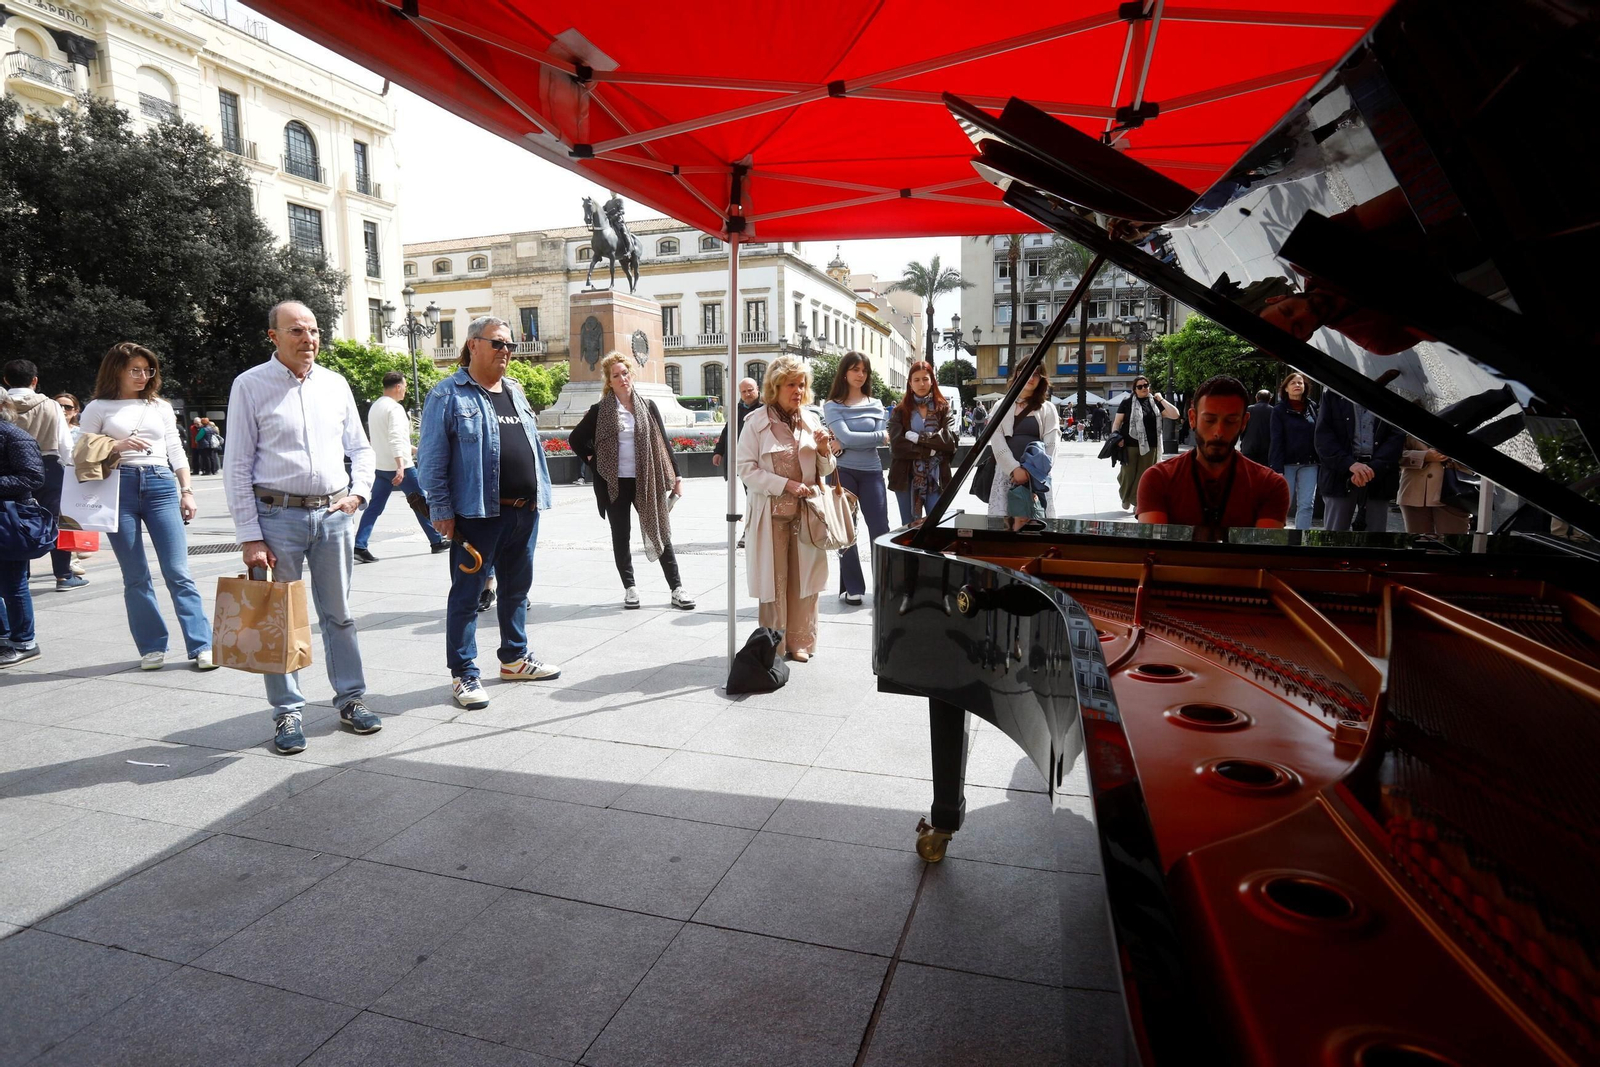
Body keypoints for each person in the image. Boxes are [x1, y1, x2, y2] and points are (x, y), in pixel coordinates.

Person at [223, 301, 382, 755]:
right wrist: (250, 536)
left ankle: (351, 700)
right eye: (296, 330)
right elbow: (236, 464)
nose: (308, 339)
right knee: (279, 619)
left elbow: (361, 448)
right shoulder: (250, 385)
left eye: (313, 330)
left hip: (333, 515)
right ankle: (288, 713)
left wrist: (359, 494)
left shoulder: (335, 384)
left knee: (341, 615)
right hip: (277, 519)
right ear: (273, 336)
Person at [418, 314, 561, 711]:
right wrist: (441, 509)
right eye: (498, 343)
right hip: (478, 515)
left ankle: (515, 659)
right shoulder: (447, 395)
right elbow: (430, 460)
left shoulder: (514, 390)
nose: (506, 351)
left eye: (510, 345)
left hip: (524, 512)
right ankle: (464, 672)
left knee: (517, 591)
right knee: (468, 595)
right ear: (473, 345)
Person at [80, 342, 217, 671]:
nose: (143, 376)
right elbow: (79, 449)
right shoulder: (98, 407)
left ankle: (201, 645)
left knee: (178, 571)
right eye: (135, 370)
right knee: (135, 575)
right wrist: (117, 444)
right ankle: (152, 647)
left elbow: (175, 449)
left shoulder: (159, 406)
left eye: (148, 370)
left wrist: (187, 490)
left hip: (160, 482)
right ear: (117, 371)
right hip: (118, 486)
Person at [568, 352, 695, 611]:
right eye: (616, 375)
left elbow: (663, 442)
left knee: (660, 531)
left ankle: (676, 588)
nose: (622, 378)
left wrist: (677, 476)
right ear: (609, 381)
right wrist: (594, 462)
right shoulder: (599, 411)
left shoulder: (647, 406)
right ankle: (630, 588)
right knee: (620, 536)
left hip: (646, 480)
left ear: (631, 376)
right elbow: (575, 439)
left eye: (625, 373)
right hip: (614, 484)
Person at [737, 355, 841, 662]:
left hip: (806, 516)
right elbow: (746, 469)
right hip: (770, 516)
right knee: (775, 581)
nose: (798, 390)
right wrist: (785, 485)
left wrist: (824, 450)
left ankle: (800, 644)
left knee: (804, 580)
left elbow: (826, 467)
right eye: (791, 384)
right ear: (775, 386)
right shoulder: (755, 423)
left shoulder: (810, 420)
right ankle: (774, 643)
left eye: (802, 384)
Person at [1136, 375, 1290, 534]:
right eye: (1209, 420)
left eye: (1230, 421)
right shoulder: (1157, 479)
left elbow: (1264, 554)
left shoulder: (1271, 486)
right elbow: (1153, 549)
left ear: (1244, 422)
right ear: (1192, 418)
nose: (1219, 432)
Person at [2, 359, 83, 590]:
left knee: (14, 520)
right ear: (34, 380)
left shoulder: (2, 404)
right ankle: (63, 575)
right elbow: (65, 444)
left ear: (6, 380)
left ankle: (21, 575)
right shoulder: (51, 405)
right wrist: (73, 470)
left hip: (9, 470)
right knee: (58, 521)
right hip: (49, 466)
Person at [354, 371, 448, 562]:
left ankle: (359, 544)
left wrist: (415, 450)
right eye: (404, 386)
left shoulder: (376, 407)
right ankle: (436, 540)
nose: (405, 390)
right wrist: (400, 466)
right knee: (421, 502)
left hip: (381, 466)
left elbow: (386, 438)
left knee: (374, 507)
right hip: (400, 467)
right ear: (398, 387)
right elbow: (396, 438)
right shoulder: (395, 409)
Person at [822, 351, 890, 606]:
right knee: (845, 530)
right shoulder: (832, 405)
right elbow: (854, 438)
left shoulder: (876, 403)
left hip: (872, 471)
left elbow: (849, 439)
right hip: (842, 472)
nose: (860, 374)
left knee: (880, 529)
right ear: (845, 372)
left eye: (864, 370)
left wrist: (847, 441)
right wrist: (876, 437)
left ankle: (884, 586)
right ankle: (853, 588)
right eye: (855, 369)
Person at [1315, 389, 1403, 533]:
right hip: (1339, 476)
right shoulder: (1333, 394)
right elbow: (1323, 438)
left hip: (1379, 476)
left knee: (1375, 539)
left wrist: (1372, 468)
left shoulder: (1391, 395)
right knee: (1334, 537)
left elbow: (1396, 438)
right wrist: (1350, 465)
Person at [0, 396, 44, 668]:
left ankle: (25, 642)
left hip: (10, 517)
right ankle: (4, 637)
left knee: (14, 583)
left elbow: (33, 476)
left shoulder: (14, 436)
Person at [887, 360, 958, 526]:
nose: (921, 383)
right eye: (916, 379)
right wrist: (929, 450)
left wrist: (919, 438)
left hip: (937, 478)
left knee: (936, 526)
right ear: (910, 383)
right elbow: (897, 446)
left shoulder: (943, 409)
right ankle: (911, 554)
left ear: (932, 381)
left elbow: (950, 440)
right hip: (906, 478)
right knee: (909, 527)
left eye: (925, 379)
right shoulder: (900, 411)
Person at [984, 369, 1059, 519]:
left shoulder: (1048, 408)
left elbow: (1052, 444)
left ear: (1042, 379)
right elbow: (997, 440)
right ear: (1017, 374)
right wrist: (1014, 469)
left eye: (1036, 374)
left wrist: (1031, 472)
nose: (1031, 377)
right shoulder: (1001, 406)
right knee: (1004, 523)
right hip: (1007, 474)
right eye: (1026, 372)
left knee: (1037, 519)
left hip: (1037, 476)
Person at [1111, 377, 1179, 512]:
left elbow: (1175, 414)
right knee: (1127, 473)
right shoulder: (1127, 402)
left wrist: (1161, 399)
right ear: (1134, 389)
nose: (1144, 388)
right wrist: (1116, 437)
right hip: (1129, 444)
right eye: (1140, 386)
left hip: (1151, 445)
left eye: (1146, 385)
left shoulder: (1155, 402)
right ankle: (1126, 497)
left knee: (1144, 475)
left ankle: (1136, 502)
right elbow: (1117, 422)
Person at [712, 376, 761, 548]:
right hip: (743, 461)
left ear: (757, 389)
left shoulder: (765, 408)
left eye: (750, 390)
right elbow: (727, 431)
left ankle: (750, 533)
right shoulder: (738, 408)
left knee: (754, 498)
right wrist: (718, 451)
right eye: (744, 391)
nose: (747, 394)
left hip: (759, 461)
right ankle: (751, 532)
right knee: (751, 497)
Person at [1268, 371, 1319, 530]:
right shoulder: (1279, 410)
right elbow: (1276, 439)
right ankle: (1279, 538)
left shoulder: (1312, 407)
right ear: (1286, 388)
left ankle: (1300, 540)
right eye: (1293, 383)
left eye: (1300, 383)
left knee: (1306, 505)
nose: (1297, 385)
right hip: (1286, 464)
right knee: (1284, 504)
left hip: (1309, 463)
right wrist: (1277, 467)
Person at [1398, 436, 1471, 535]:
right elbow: (1392, 452)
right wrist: (1423, 456)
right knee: (1420, 545)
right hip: (1414, 491)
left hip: (1455, 491)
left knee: (1452, 546)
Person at [54, 393, 88, 578]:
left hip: (73, 478)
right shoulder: (49, 428)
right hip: (53, 478)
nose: (63, 410)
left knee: (70, 521)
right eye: (59, 406)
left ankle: (72, 558)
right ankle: (69, 561)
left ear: (76, 411)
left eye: (67, 407)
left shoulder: (80, 432)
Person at [1239, 389, 1273, 464]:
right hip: (1266, 449)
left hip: (1248, 446)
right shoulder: (1273, 411)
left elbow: (1242, 428)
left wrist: (1242, 440)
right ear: (1270, 399)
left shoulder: (1248, 409)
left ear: (1256, 398)